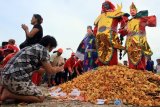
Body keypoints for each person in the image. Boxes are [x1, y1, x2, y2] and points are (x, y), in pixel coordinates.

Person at [0, 35, 64, 103]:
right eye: (52, 48)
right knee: (40, 97)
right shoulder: (43, 50)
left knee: (30, 92)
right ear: (49, 45)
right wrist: (59, 68)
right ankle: (8, 94)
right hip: (15, 79)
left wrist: (50, 68)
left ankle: (8, 91)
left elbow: (40, 71)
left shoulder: (30, 47)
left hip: (3, 78)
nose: (51, 51)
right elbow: (50, 71)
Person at [119, 2, 156, 70]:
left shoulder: (141, 19)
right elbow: (122, 32)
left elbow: (151, 21)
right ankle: (132, 71)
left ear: (136, 11)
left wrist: (146, 22)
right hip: (130, 43)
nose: (132, 12)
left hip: (139, 42)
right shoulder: (128, 22)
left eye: (133, 10)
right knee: (131, 58)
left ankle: (141, 72)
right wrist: (124, 29)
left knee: (140, 57)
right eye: (130, 11)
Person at [94, 0, 129, 65]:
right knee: (101, 52)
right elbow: (96, 28)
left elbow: (124, 18)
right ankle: (102, 68)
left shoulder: (115, 13)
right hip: (100, 39)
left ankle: (112, 68)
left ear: (110, 5)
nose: (105, 6)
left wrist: (123, 27)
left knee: (112, 50)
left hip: (111, 36)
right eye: (103, 4)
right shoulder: (100, 16)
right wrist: (95, 35)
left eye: (106, 4)